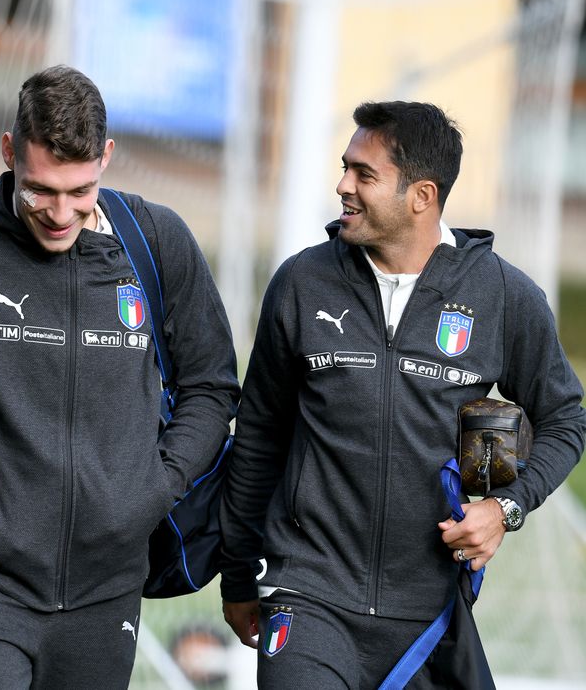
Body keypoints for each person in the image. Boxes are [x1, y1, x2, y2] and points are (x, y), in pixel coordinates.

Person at [219, 101, 585, 687]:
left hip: (428, 612)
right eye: (346, 167)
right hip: (308, 592)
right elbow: (259, 435)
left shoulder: (503, 296)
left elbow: (566, 419)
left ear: (422, 195)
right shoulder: (301, 281)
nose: (343, 186)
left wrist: (503, 508)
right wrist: (237, 573)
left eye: (365, 175)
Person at [0, 64, 240, 689]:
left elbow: (212, 386)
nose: (61, 213)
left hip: (107, 589)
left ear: (107, 158)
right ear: (9, 153)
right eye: (40, 190)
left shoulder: (156, 241)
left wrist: (156, 486)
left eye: (80, 191)